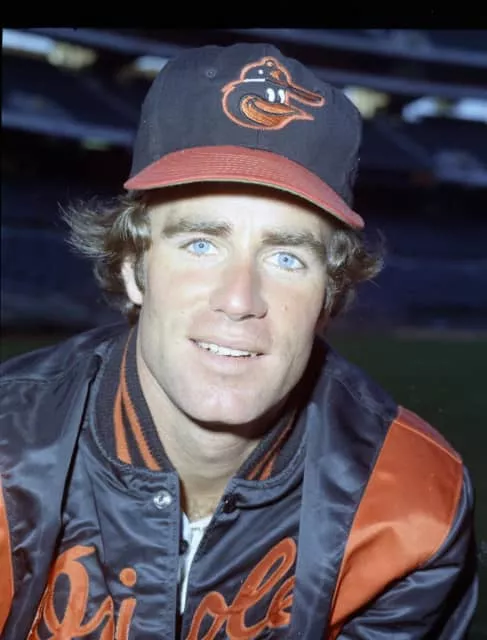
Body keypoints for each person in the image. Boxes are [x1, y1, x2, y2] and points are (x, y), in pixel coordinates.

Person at [0, 42, 478, 640]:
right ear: (134, 269)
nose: (239, 298)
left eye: (286, 257)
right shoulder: (8, 459)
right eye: (201, 244)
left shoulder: (408, 504)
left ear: (327, 296)